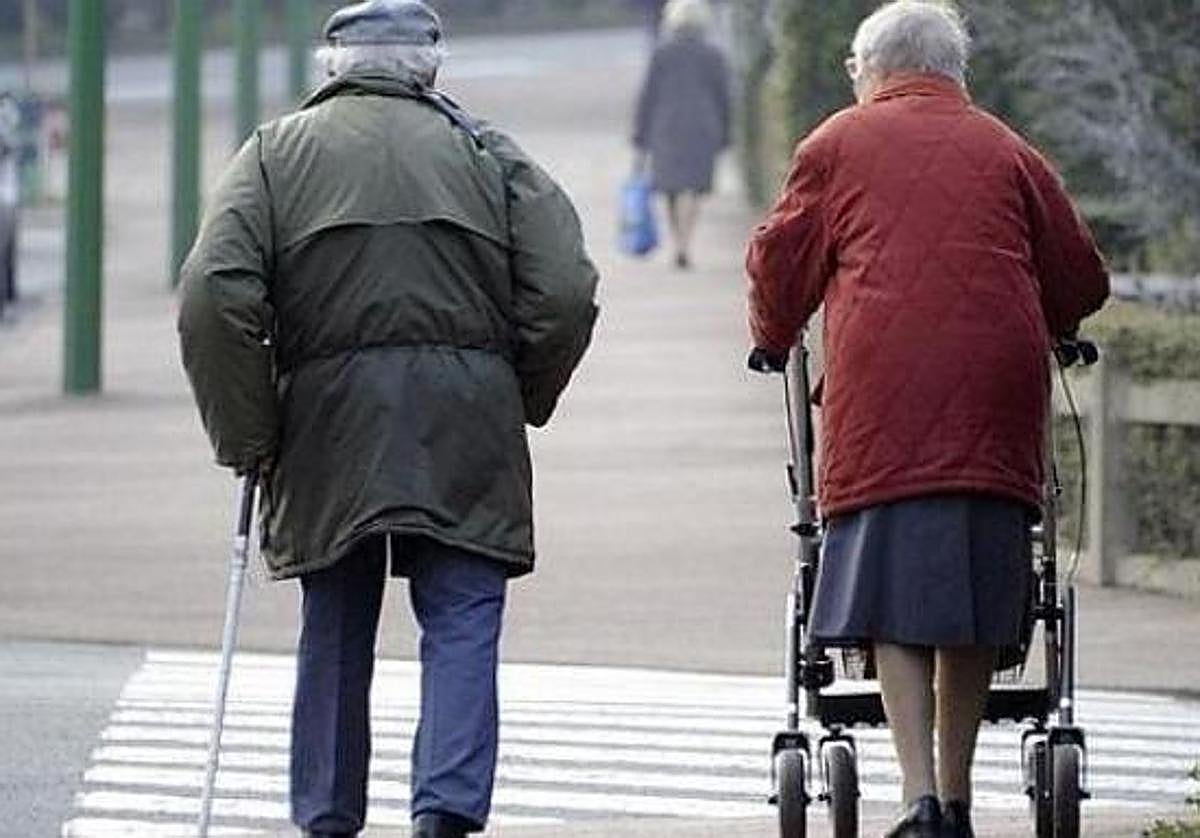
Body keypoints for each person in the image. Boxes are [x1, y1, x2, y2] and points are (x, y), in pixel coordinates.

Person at [177, 2, 599, 836]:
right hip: (467, 421)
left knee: (334, 616)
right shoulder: (491, 155)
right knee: (464, 614)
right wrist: (520, 392)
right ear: (432, 66)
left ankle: (329, 816)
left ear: (331, 65)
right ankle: (443, 811)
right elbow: (565, 291)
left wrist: (251, 432)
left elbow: (211, 296)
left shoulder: (273, 156)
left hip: (328, 429)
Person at [745, 2, 1109, 836]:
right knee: (974, 596)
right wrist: (1059, 318)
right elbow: (1078, 274)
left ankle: (916, 799)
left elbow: (779, 260)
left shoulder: (834, 144)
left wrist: (771, 338)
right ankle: (958, 793)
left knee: (890, 595)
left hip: (881, 405)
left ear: (870, 68)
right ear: (955, 71)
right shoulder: (1006, 148)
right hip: (994, 400)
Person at [633, 0, 731, 270]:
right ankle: (684, 243)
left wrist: (640, 133)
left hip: (666, 126)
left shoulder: (661, 53)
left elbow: (648, 95)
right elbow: (724, 96)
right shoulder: (713, 54)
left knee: (670, 188)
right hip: (702, 126)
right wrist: (726, 131)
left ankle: (678, 240)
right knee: (692, 187)